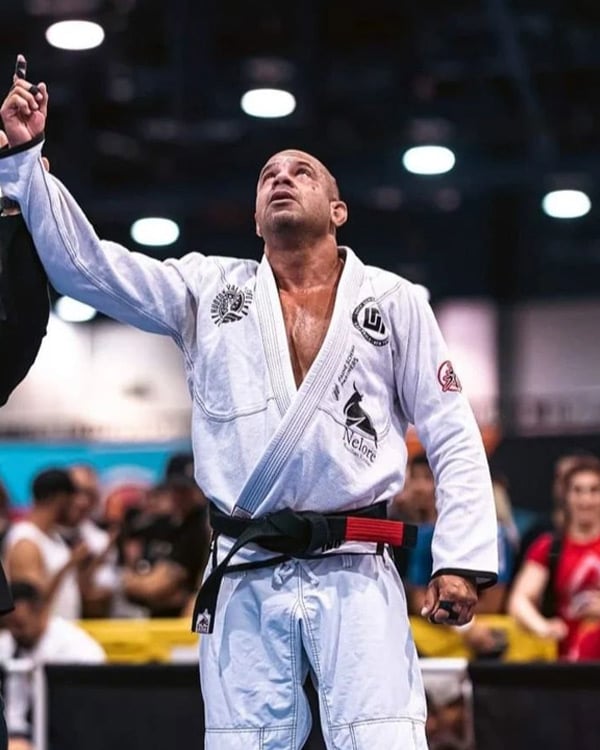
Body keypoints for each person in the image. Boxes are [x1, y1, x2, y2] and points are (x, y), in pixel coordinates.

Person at [0, 57, 498, 750]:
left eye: (301, 171)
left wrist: (460, 558)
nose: (281, 178)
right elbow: (88, 267)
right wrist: (24, 160)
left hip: (356, 566)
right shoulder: (207, 290)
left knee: (384, 738)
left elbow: (450, 430)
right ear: (257, 216)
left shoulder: (394, 301)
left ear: (338, 210)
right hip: (246, 567)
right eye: (268, 176)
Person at [508, 456, 600, 660]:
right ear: (566, 496)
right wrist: (543, 627)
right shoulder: (549, 547)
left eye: (594, 490)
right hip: (566, 659)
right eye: (578, 490)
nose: (586, 500)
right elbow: (519, 600)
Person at [0, 581, 106, 750]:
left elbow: (92, 708)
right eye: (8, 625)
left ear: (41, 613)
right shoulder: (8, 643)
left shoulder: (77, 649)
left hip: (70, 733)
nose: (14, 632)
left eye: (20, 625)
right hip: (22, 734)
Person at [2, 468, 88, 620]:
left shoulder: (55, 537)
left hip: (65, 629)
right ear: (61, 498)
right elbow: (31, 602)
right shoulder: (26, 541)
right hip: (43, 634)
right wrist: (69, 564)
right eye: (72, 500)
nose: (78, 506)